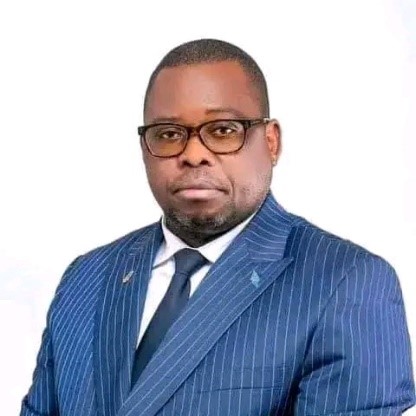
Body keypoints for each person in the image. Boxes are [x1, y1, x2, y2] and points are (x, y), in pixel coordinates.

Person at [21, 38, 415, 416]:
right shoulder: (86, 277)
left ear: (271, 142)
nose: (194, 154)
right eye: (169, 134)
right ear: (144, 149)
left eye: (224, 130)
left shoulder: (348, 283)